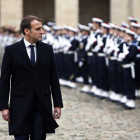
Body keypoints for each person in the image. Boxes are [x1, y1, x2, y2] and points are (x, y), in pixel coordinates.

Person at [0, 15, 63, 140]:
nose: (42, 32)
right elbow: (4, 81)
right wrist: (3, 107)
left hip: (42, 105)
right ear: (26, 31)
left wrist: (57, 104)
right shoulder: (11, 51)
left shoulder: (47, 49)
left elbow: (54, 78)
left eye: (42, 28)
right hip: (20, 105)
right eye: (38, 29)